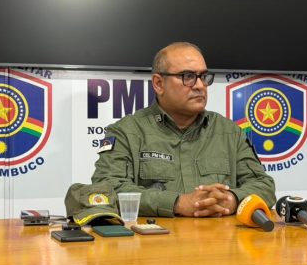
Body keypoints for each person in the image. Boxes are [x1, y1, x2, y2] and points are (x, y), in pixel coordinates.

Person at [91, 42, 276, 217]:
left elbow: (264, 185)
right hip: (157, 239)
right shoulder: (126, 132)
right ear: (158, 84)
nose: (200, 85)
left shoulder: (229, 132)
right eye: (188, 76)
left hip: (219, 238)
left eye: (203, 77)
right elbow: (107, 188)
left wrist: (232, 200)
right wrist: (176, 203)